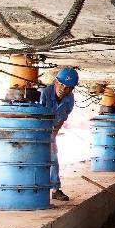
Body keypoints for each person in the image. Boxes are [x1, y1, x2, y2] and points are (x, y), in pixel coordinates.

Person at [39, 67, 78, 201]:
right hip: (34, 130)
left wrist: (52, 137)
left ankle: (55, 189)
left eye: (67, 87)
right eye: (61, 84)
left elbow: (62, 119)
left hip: (49, 131)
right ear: (55, 82)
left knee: (53, 157)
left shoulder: (69, 100)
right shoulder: (43, 93)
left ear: (71, 89)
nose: (63, 89)